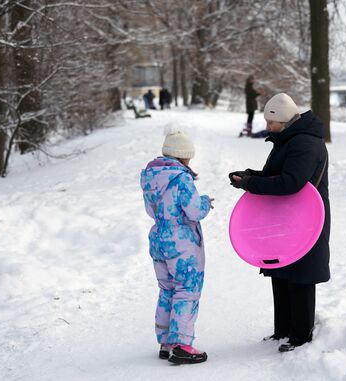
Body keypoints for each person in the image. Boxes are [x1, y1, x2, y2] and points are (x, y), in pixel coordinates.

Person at [229, 93, 330, 353]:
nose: (267, 126)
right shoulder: (288, 140)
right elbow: (278, 175)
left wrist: (252, 184)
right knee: (281, 272)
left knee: (300, 278)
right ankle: (283, 330)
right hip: (287, 218)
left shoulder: (305, 143)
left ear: (283, 121)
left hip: (306, 220)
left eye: (271, 122)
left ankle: (300, 336)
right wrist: (249, 177)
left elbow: (291, 183)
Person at [140, 127, 213, 364]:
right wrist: (204, 202)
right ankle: (181, 344)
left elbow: (151, 210)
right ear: (183, 155)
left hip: (159, 238)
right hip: (181, 242)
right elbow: (193, 211)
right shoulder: (181, 178)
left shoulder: (151, 176)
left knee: (167, 289)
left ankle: (166, 342)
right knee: (186, 290)